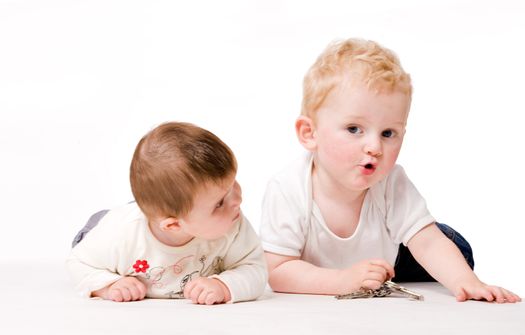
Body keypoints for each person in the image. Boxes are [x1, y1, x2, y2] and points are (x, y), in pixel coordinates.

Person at [260, 38, 520, 303]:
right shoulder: (288, 189)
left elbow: (427, 242)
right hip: (333, 268)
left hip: (393, 260)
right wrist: (344, 281)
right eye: (354, 129)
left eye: (388, 133)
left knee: (457, 250)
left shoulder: (390, 181)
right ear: (309, 133)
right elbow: (277, 270)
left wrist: (467, 282)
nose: (374, 147)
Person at [66, 122, 267, 304]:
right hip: (106, 226)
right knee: (95, 237)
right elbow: (78, 263)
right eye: (220, 203)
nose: (237, 200)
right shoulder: (120, 235)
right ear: (174, 225)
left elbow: (255, 268)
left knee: (161, 206)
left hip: (159, 215)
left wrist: (224, 286)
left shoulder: (232, 224)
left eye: (233, 184)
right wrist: (108, 286)